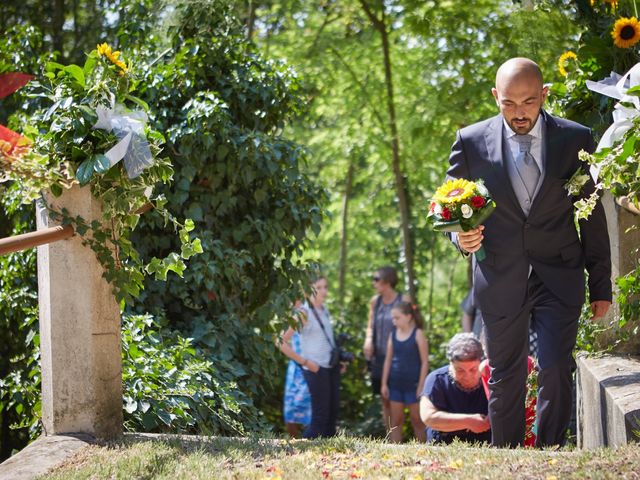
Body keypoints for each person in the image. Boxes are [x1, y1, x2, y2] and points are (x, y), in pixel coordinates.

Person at [447, 57, 612, 447]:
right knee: (506, 373)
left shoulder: (575, 139)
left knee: (556, 366)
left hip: (560, 273)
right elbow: (451, 206)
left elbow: (590, 215)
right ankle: (506, 455)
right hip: (499, 276)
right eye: (508, 103)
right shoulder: (470, 142)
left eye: (528, 102)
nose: (519, 113)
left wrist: (600, 284)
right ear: (495, 97)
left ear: (544, 95)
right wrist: (460, 238)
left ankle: (550, 450)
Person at [279, 275, 341, 438]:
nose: (323, 291)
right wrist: (305, 362)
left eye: (325, 287)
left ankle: (328, 455)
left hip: (329, 367)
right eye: (318, 288)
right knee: (319, 419)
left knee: (331, 416)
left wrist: (338, 359)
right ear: (308, 292)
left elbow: (327, 340)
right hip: (314, 368)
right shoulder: (303, 313)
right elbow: (281, 341)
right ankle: (304, 452)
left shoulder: (323, 310)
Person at [420, 333, 491, 444]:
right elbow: (428, 417)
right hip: (443, 448)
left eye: (473, 369)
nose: (467, 376)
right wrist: (469, 422)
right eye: (460, 370)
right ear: (450, 364)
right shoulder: (436, 380)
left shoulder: (492, 379)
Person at [363, 266, 409, 431]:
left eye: (376, 279)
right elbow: (370, 325)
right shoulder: (375, 302)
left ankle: (402, 437)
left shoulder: (404, 300)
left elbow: (413, 326)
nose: (373, 283)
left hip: (400, 358)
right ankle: (391, 436)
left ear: (387, 281)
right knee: (385, 398)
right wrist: (368, 340)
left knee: (399, 399)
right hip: (380, 357)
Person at [380, 301, 429, 443]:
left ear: (408, 317)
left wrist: (421, 386)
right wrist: (384, 383)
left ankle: (424, 450)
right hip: (395, 384)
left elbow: (425, 361)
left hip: (413, 386)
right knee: (396, 421)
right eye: (393, 318)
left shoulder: (418, 334)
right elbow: (388, 360)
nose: (394, 321)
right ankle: (395, 451)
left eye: (397, 318)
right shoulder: (393, 335)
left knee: (417, 420)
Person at [283, 330, 311, 437]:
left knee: (313, 406)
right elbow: (280, 340)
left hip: (315, 367)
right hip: (297, 369)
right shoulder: (297, 316)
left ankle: (311, 439)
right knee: (291, 408)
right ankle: (294, 441)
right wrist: (300, 359)